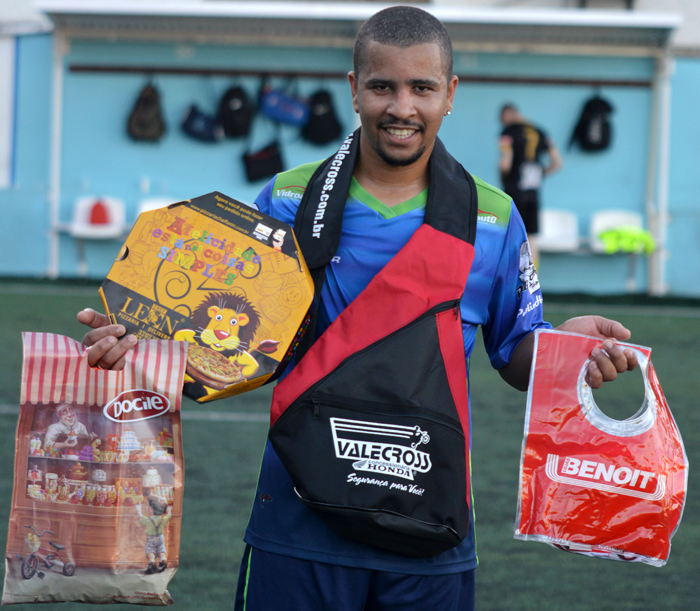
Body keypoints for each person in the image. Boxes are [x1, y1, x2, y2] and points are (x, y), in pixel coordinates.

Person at [77, 6, 637, 610]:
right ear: (353, 90)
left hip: (431, 520)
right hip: (297, 519)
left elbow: (513, 351)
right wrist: (143, 346)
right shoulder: (288, 199)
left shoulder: (493, 218)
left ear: (450, 95)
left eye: (421, 87)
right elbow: (230, 338)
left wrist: (564, 350)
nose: (402, 107)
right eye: (382, 86)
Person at [499, 103, 563, 266]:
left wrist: (505, 177)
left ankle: (513, 280)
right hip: (533, 191)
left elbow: (505, 164)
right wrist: (541, 173)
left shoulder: (508, 132)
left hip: (514, 189)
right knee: (532, 236)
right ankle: (534, 281)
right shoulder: (541, 132)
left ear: (507, 116)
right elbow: (557, 163)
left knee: (512, 234)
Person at [135, 494, 172, 574]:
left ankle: (151, 563)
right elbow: (169, 516)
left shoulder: (147, 520)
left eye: (148, 506)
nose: (147, 507)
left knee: (150, 550)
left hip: (151, 539)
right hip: (160, 537)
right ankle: (163, 561)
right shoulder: (163, 520)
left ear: (151, 509)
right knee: (161, 549)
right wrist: (169, 510)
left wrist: (138, 510)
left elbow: (140, 517)